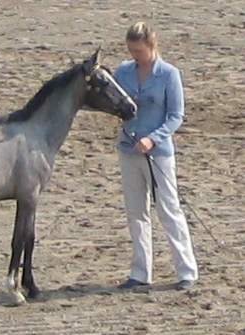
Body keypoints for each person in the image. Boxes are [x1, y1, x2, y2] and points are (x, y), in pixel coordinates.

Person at [113, 21, 198, 290]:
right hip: (128, 150)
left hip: (158, 154)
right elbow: (116, 103)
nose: (134, 56)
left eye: (138, 51)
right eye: (131, 51)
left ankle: (186, 271)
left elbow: (176, 116)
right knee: (136, 212)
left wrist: (152, 138)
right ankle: (140, 272)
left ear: (152, 46)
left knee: (169, 210)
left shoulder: (169, 74)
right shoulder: (124, 71)